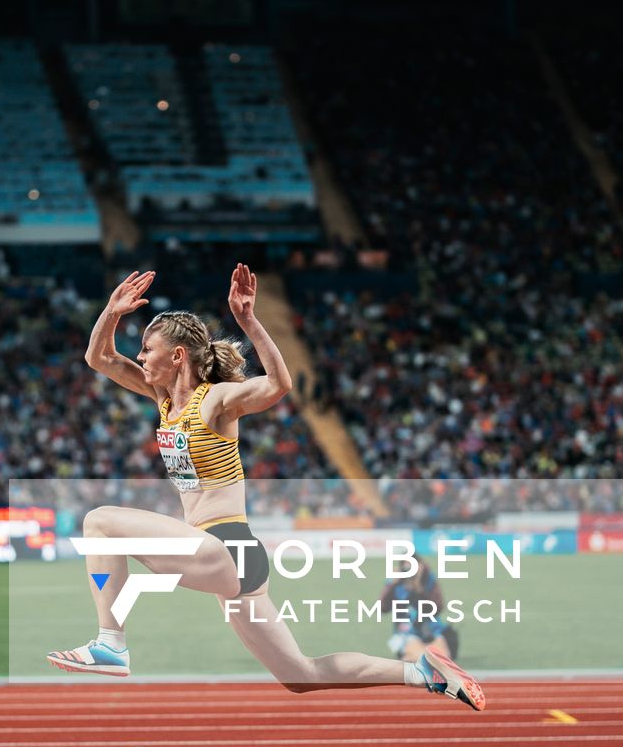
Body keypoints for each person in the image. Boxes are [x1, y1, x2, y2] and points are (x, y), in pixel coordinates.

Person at [47, 266, 485, 710]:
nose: (139, 356)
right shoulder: (162, 399)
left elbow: (279, 385)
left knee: (99, 522)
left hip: (224, 547)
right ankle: (422, 672)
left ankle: (111, 643)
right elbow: (98, 359)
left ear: (178, 356)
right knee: (299, 674)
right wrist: (111, 312)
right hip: (229, 562)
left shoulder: (214, 400)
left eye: (147, 348)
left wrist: (250, 322)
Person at [382, 556, 457, 662]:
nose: (409, 571)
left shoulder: (428, 580)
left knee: (443, 658)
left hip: (431, 630)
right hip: (408, 631)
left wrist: (418, 587)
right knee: (420, 658)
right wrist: (391, 585)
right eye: (406, 567)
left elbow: (437, 607)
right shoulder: (396, 584)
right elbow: (383, 608)